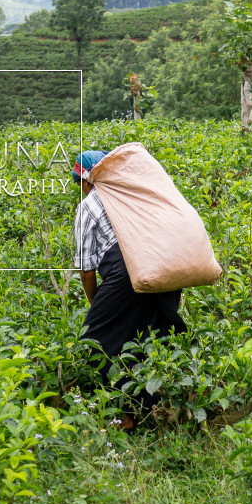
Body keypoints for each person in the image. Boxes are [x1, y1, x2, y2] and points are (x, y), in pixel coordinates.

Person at [72, 149, 187, 428]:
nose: (80, 188)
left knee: (96, 339)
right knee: (152, 331)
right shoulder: (135, 192)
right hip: (164, 264)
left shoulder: (89, 205)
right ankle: (158, 406)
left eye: (79, 182)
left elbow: (87, 270)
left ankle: (124, 417)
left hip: (127, 269)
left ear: (88, 180)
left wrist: (96, 304)